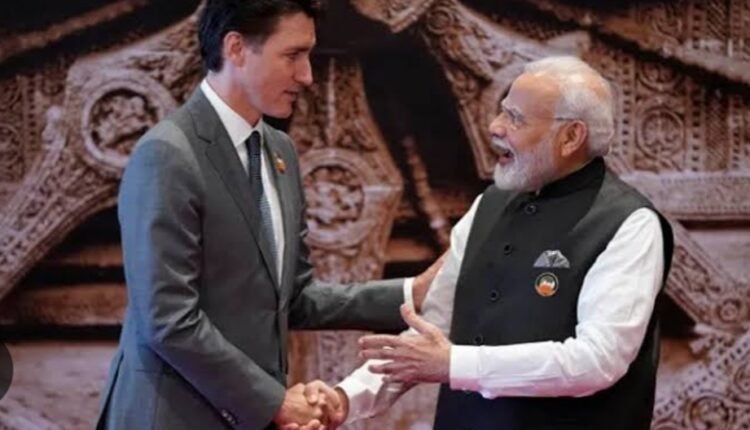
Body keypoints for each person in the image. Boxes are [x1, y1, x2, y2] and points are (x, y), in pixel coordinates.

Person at [95, 1, 432, 429]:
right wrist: (274, 402)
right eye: (293, 55)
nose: (307, 75)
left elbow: (295, 296)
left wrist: (411, 293)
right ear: (236, 48)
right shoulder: (167, 154)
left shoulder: (279, 151)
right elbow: (167, 319)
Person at [329, 56, 674, 430]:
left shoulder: (630, 224)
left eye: (515, 118)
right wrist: (344, 399)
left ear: (571, 137)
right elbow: (434, 330)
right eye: (502, 111)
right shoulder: (488, 205)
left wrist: (456, 364)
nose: (495, 127)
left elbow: (597, 360)